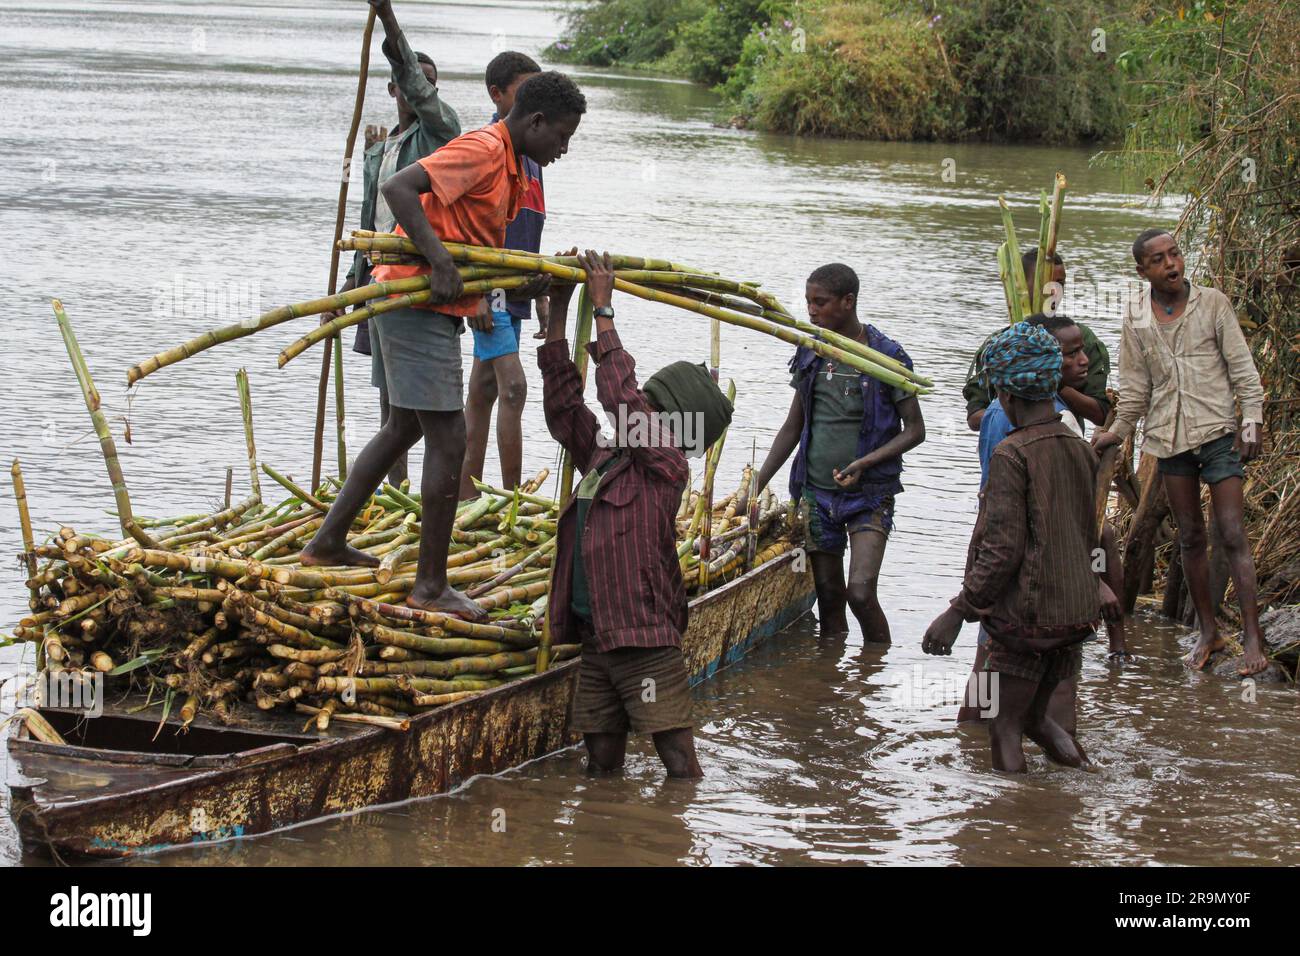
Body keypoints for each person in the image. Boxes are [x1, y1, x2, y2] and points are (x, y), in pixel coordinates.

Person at [299, 71, 586, 623]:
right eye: (563, 136)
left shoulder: (512, 167)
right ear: (536, 122)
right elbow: (398, 189)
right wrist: (439, 261)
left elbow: (472, 244)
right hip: (414, 302)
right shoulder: (482, 149)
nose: (563, 149)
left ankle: (328, 543)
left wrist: (526, 285)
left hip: (429, 304)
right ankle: (430, 585)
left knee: (404, 426)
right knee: (449, 438)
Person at [540, 249, 734, 779]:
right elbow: (564, 408)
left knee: (677, 761)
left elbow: (621, 399)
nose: (641, 407)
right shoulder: (607, 455)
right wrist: (557, 313)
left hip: (644, 640)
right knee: (601, 765)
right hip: (598, 639)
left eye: (651, 405)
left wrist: (603, 311)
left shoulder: (666, 462)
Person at [923, 323, 1117, 773]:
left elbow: (1002, 550)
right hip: (1073, 613)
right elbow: (1087, 533)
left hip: (1030, 616)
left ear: (1006, 398)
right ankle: (1088, 785)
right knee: (1035, 718)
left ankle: (1011, 828)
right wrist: (1098, 583)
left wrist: (958, 610)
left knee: (1003, 726)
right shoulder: (1078, 446)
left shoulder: (1012, 454)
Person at [1093, 229, 1268, 675]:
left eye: (1175, 254)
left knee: (1230, 531)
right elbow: (1135, 389)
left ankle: (1252, 637)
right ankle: (1209, 633)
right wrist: (1115, 432)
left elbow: (1243, 371)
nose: (1171, 264)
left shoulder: (1212, 304)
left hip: (1218, 433)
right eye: (1158, 260)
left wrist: (1252, 422)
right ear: (1142, 271)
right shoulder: (1135, 314)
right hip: (1169, 440)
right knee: (1189, 536)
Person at [741, 264, 926, 644]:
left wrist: (864, 464)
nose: (811, 310)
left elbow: (916, 431)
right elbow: (794, 425)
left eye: (820, 303)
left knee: (859, 592)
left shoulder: (887, 358)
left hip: (869, 495)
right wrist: (757, 483)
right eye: (809, 301)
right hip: (816, 492)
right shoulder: (812, 350)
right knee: (828, 595)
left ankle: (875, 672)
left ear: (848, 302)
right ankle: (833, 684)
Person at [336, 0, 463, 487]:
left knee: (421, 399)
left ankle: (417, 490)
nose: (421, 88)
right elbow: (370, 220)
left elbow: (417, 85)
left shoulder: (440, 132)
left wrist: (389, 19)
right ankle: (398, 486)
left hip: (420, 275)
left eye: (430, 82)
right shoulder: (382, 148)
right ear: (391, 90)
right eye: (414, 80)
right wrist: (348, 288)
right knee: (389, 393)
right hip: (381, 276)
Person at [459, 51, 548, 501]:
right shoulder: (488, 148)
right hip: (490, 287)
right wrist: (475, 291)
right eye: (523, 89)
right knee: (513, 386)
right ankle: (514, 501)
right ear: (497, 95)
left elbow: (528, 231)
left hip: (516, 289)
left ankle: (466, 493)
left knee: (484, 388)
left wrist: (543, 298)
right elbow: (466, 231)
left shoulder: (532, 153)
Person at [964, 250, 1111, 431]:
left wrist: (1052, 381)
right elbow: (974, 416)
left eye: (1061, 283)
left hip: (1063, 444)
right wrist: (1014, 417)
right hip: (1003, 447)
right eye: (1046, 283)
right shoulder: (1000, 344)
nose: (1055, 291)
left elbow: (1101, 413)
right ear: (1022, 285)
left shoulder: (1080, 338)